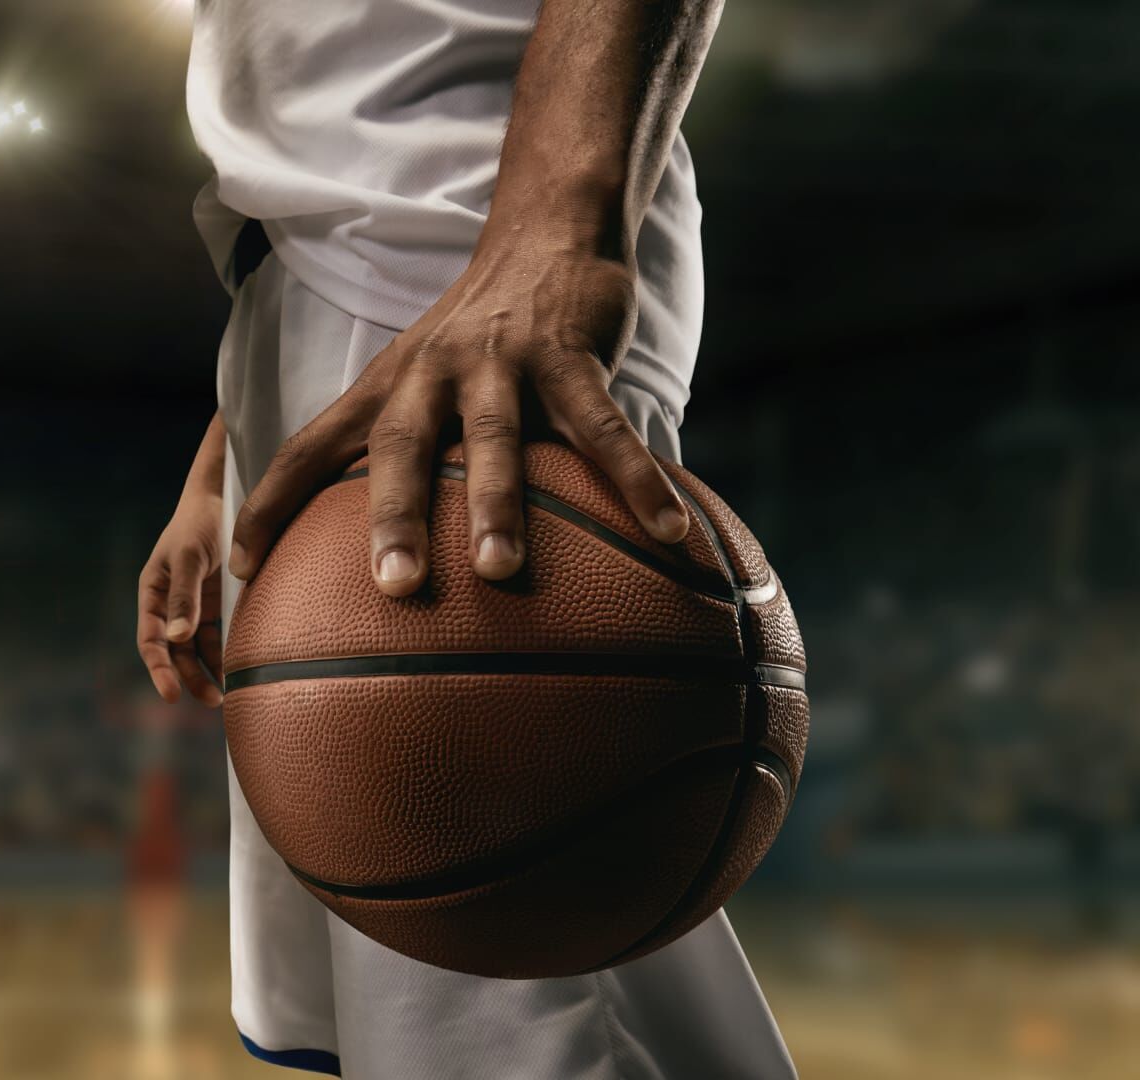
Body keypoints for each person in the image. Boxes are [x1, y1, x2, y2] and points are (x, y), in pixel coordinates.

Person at [139, 0, 798, 1075]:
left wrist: (558, 224)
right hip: (344, 274)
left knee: (523, 1002)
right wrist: (232, 446)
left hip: (459, 241)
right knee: (435, 996)